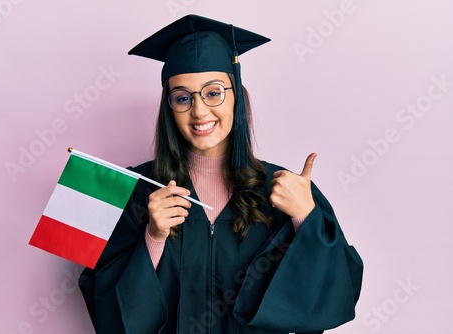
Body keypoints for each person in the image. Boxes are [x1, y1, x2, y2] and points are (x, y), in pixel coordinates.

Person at [79, 14, 363, 334]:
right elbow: (105, 307)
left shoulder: (283, 190)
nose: (199, 111)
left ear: (236, 96)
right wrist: (153, 237)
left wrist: (305, 219)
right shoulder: (136, 191)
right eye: (182, 97)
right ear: (169, 107)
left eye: (213, 93)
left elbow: (339, 292)